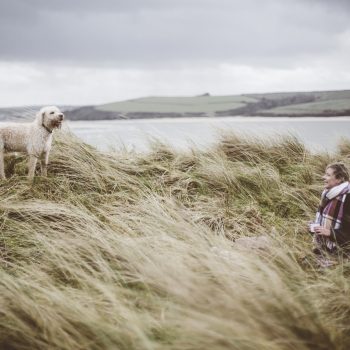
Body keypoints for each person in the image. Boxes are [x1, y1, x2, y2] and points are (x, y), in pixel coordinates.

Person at [310, 163, 350, 256]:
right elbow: (323, 221)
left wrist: (330, 233)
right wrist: (314, 226)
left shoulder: (347, 199)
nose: (323, 177)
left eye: (328, 175)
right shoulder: (327, 195)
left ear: (339, 179)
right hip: (322, 249)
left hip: (340, 255)